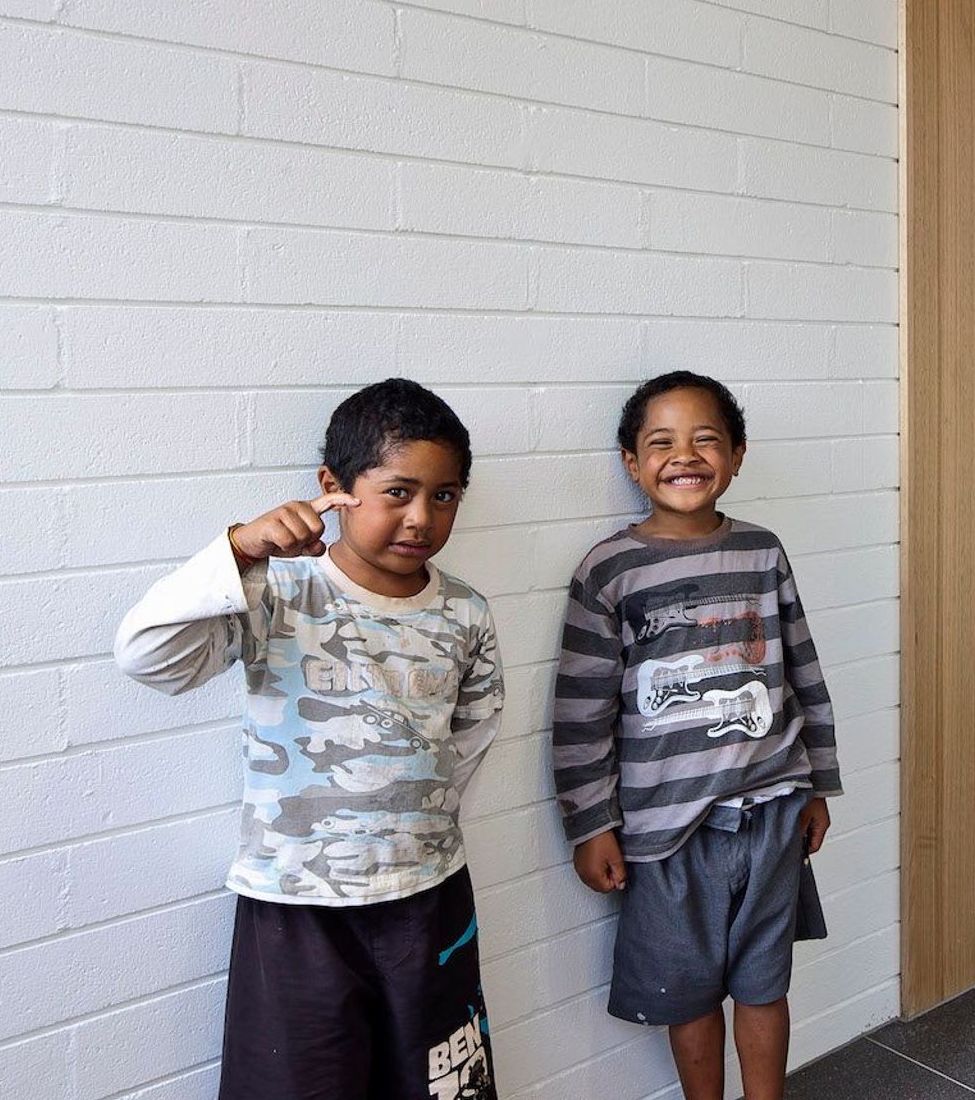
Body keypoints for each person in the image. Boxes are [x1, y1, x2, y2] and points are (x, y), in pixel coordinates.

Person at [114, 378, 502, 1100]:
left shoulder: (464, 612)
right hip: (296, 908)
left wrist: (413, 827)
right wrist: (238, 548)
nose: (421, 517)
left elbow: (470, 737)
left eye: (445, 496)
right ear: (334, 486)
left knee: (440, 1086)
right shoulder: (275, 591)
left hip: (427, 894)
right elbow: (146, 658)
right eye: (398, 492)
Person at [553, 370, 843, 1100]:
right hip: (666, 833)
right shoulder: (609, 569)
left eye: (706, 439)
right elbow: (582, 707)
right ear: (632, 462)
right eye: (662, 443)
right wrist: (591, 824)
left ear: (737, 455)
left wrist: (819, 784)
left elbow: (803, 671)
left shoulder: (763, 552)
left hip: (773, 813)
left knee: (764, 983)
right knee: (687, 997)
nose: (685, 456)